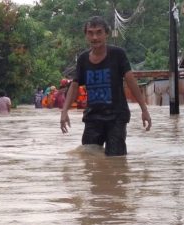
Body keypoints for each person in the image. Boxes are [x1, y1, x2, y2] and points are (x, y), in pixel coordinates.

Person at [60, 16, 152, 156]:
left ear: (106, 34)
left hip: (116, 117)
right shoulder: (83, 59)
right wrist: (64, 111)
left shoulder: (118, 55)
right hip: (93, 117)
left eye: (99, 32)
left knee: (116, 160)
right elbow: (74, 85)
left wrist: (144, 109)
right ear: (86, 35)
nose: (95, 37)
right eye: (90, 33)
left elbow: (131, 80)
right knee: (89, 157)